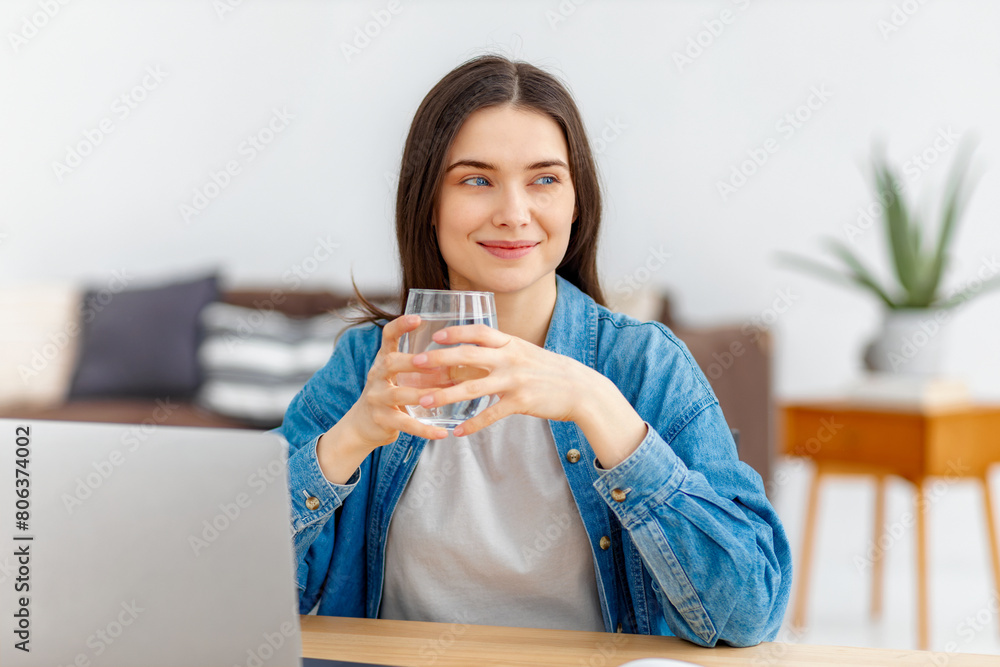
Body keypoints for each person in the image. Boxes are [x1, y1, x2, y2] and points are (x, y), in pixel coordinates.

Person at [274, 54, 792, 647]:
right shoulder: (367, 366)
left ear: (576, 202)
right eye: (476, 180)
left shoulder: (644, 365)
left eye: (544, 179)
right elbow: (239, 594)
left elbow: (749, 614)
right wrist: (347, 441)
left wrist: (599, 407)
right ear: (428, 203)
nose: (513, 214)